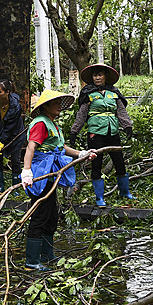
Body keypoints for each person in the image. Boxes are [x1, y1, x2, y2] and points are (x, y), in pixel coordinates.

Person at [22, 89, 96, 271]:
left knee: (51, 215)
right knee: (40, 215)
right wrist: (26, 171)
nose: (59, 107)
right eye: (55, 103)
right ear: (45, 106)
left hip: (52, 172)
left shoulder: (52, 124)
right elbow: (31, 148)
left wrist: (81, 154)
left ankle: (47, 254)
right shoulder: (40, 124)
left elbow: (60, 147)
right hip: (42, 173)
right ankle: (31, 261)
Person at [70, 63, 133, 208]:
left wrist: (127, 126)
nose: (97, 78)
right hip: (95, 133)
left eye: (100, 75)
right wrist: (74, 131)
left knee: (119, 163)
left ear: (105, 77)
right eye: (95, 75)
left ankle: (124, 192)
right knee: (96, 165)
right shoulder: (88, 94)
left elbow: (121, 111)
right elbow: (81, 115)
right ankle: (99, 198)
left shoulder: (114, 93)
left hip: (113, 132)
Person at [0, 79, 26, 195]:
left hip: (16, 134)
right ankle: (0, 187)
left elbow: (10, 128)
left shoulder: (15, 106)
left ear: (8, 92)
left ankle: (15, 188)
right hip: (2, 131)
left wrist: (1, 142)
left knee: (15, 160)